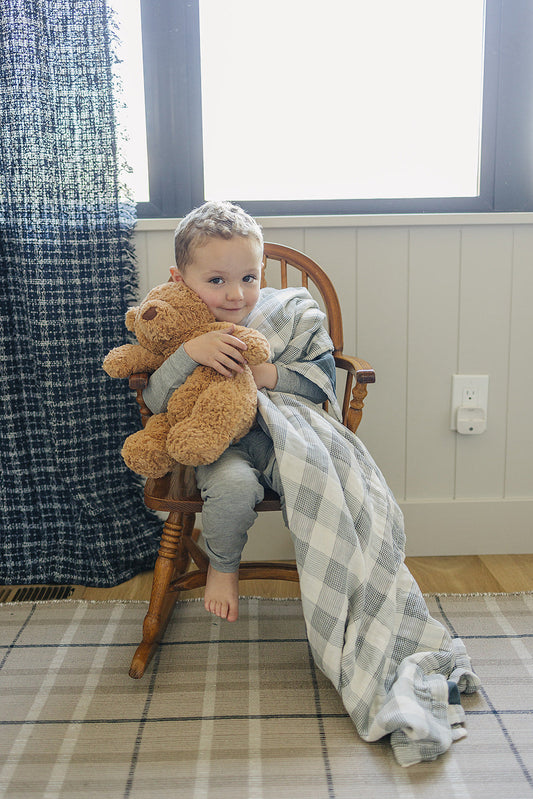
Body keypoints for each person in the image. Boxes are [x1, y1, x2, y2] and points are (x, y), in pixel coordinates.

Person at [142, 200, 336, 623]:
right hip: (216, 445)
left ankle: (336, 580)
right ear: (181, 279)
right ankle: (222, 568)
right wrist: (190, 354)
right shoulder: (180, 326)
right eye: (216, 280)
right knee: (233, 487)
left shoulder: (286, 313)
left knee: (323, 481)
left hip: (281, 436)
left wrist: (267, 374)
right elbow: (156, 400)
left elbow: (319, 382)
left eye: (249, 277)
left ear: (262, 270)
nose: (236, 294)